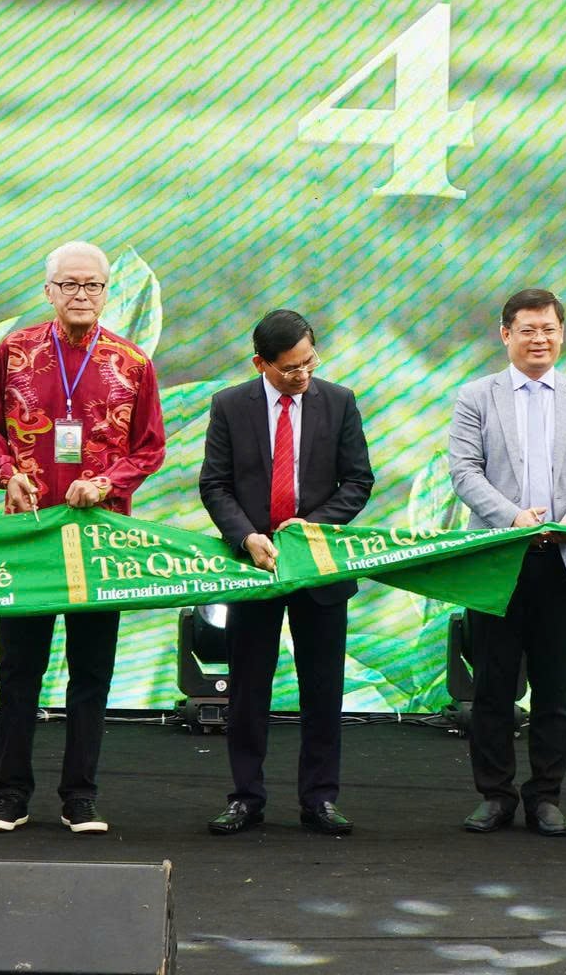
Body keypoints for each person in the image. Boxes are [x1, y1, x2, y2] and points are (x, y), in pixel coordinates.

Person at [0, 240, 166, 835]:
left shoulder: (132, 362)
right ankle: (10, 795)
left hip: (99, 539)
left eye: (93, 285)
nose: (82, 294)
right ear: (48, 290)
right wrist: (5, 473)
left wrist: (107, 482)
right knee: (18, 670)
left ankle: (80, 796)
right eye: (70, 284)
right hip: (29, 533)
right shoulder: (16, 350)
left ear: (107, 292)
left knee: (91, 671)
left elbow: (150, 448)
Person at [197, 309, 375, 836]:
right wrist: (245, 536)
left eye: (309, 362)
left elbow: (358, 481)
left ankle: (320, 799)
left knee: (322, 687)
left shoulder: (338, 401)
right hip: (254, 565)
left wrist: (311, 528)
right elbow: (214, 484)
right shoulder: (230, 405)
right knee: (248, 688)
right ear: (261, 364)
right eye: (291, 368)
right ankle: (245, 797)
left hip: (318, 566)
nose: (303, 374)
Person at [448, 287, 566, 836]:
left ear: (562, 334)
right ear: (505, 334)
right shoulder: (477, 396)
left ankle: (546, 796)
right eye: (527, 330)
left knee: (554, 686)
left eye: (549, 329)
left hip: (563, 559)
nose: (539, 339)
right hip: (500, 558)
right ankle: (495, 795)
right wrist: (514, 518)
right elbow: (464, 471)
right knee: (492, 687)